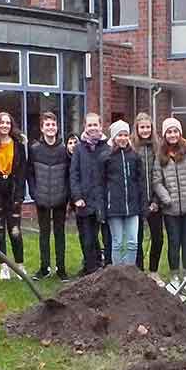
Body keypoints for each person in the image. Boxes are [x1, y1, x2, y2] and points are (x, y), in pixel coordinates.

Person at [152, 118, 186, 289]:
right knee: (173, 242)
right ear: (164, 135)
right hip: (170, 209)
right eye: (169, 132)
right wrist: (166, 198)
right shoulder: (160, 155)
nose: (172, 135)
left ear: (180, 133)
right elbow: (157, 181)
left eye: (175, 131)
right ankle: (174, 275)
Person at [0, 112, 28, 280]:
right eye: (1, 123)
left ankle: (20, 265)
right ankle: (3, 267)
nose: (4, 126)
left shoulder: (17, 144)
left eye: (8, 123)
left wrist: (20, 195)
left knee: (15, 230)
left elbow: (22, 171)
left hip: (12, 189)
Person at [27, 111, 71, 280]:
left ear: (57, 127)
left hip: (60, 199)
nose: (51, 128)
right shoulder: (35, 149)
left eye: (53, 124)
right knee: (43, 234)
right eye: (47, 125)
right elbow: (29, 173)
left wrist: (66, 194)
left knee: (60, 234)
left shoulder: (63, 149)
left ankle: (61, 269)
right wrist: (34, 193)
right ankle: (44, 268)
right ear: (42, 128)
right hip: (42, 199)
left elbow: (68, 174)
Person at [70, 113, 110, 275]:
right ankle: (90, 268)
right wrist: (77, 196)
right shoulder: (79, 149)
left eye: (96, 125)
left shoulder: (107, 147)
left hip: (102, 201)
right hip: (84, 201)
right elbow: (74, 173)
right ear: (85, 127)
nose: (93, 128)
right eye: (89, 125)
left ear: (101, 126)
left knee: (106, 238)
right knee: (87, 239)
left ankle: (104, 268)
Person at [101, 120, 144, 266]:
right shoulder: (107, 158)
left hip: (132, 207)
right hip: (114, 208)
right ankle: (117, 273)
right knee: (117, 243)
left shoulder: (135, 157)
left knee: (133, 243)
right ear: (113, 137)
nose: (123, 138)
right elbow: (101, 184)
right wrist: (103, 206)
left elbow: (140, 181)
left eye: (125, 135)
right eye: (119, 135)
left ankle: (130, 273)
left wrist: (142, 204)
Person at [132, 113, 165, 284]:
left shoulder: (158, 148)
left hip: (154, 201)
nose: (145, 130)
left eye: (147, 127)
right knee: (136, 239)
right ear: (137, 129)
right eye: (142, 127)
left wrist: (156, 201)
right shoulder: (132, 148)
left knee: (158, 238)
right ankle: (138, 271)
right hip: (137, 201)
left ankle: (153, 271)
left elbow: (161, 176)